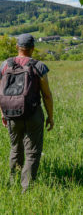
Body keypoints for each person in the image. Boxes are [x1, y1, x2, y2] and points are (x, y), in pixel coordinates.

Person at [0, 33, 54, 192]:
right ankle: (26, 189)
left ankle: (12, 183)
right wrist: (50, 117)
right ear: (32, 49)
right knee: (32, 152)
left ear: (17, 47)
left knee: (15, 148)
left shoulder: (5, 65)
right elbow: (47, 95)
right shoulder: (39, 66)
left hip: (11, 112)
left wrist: (3, 113)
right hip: (33, 113)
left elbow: (1, 91)